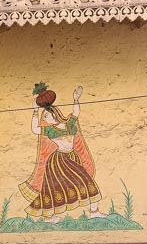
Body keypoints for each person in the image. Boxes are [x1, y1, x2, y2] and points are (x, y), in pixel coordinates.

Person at [19, 84, 106, 223]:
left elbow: (76, 113)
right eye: (45, 117)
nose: (46, 118)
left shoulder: (68, 124)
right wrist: (35, 111)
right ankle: (48, 216)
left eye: (47, 115)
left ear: (55, 113)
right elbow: (35, 129)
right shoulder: (50, 130)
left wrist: (75, 99)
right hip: (57, 161)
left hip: (71, 157)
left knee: (87, 182)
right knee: (52, 188)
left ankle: (94, 212)